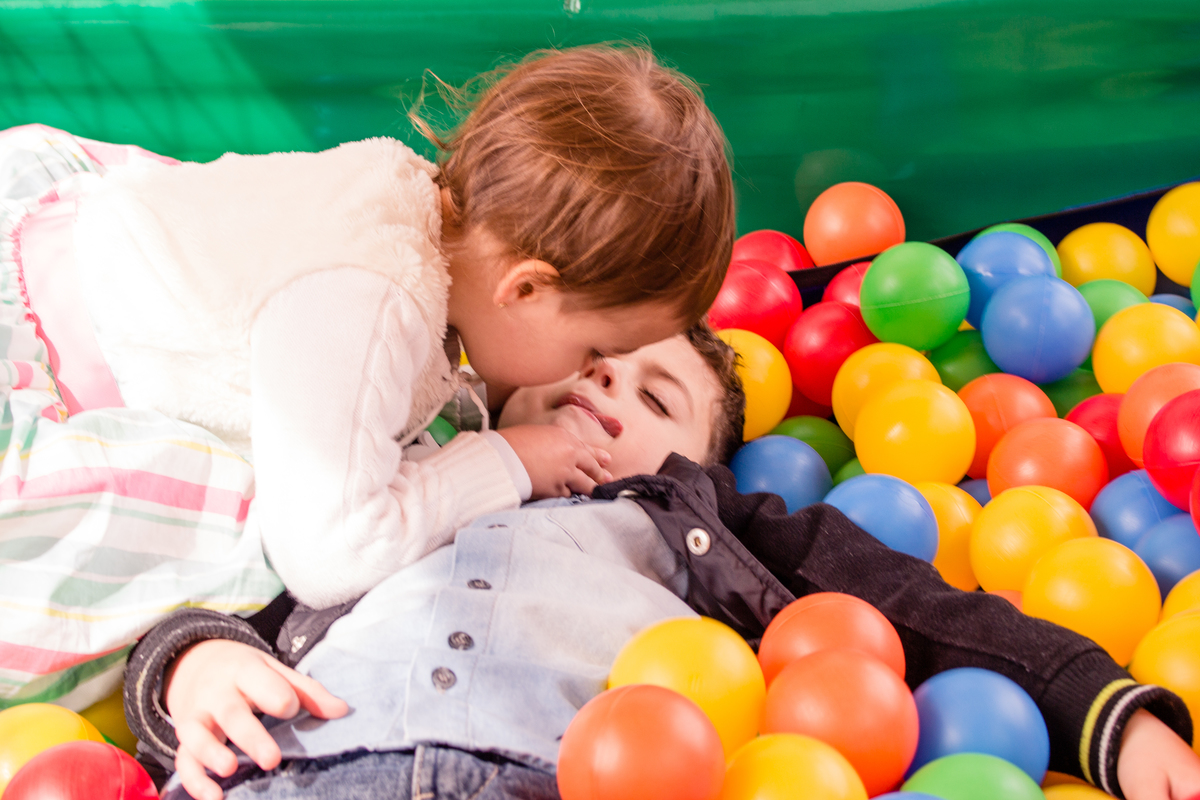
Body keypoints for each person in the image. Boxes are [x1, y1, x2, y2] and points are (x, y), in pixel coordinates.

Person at [125, 326, 1200, 800]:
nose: (607, 387)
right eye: (594, 362)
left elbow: (917, 609)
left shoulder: (708, 521)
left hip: (556, 776)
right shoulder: (410, 480)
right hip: (298, 770)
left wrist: (1109, 713)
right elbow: (244, 603)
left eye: (655, 396)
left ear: (696, 463)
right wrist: (189, 664)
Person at [0, 44, 735, 611]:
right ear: (525, 288)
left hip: (73, 228)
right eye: (593, 347)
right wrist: (505, 460)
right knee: (233, 546)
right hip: (54, 360)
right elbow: (329, 556)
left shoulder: (416, 205)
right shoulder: (373, 302)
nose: (590, 370)